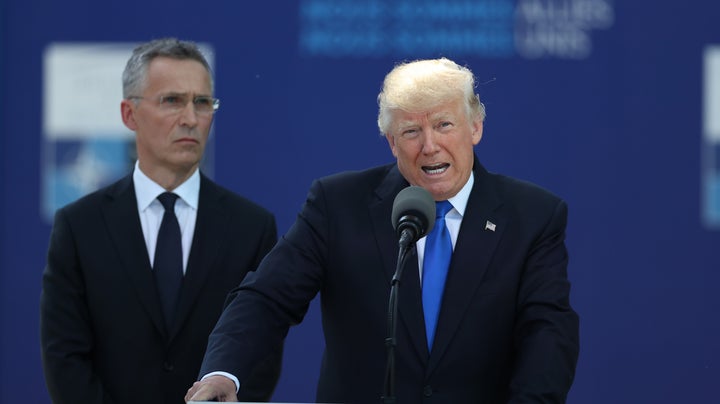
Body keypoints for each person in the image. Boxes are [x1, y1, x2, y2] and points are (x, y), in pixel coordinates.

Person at [186, 57, 579, 403]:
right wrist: (223, 371)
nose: (430, 146)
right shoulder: (337, 204)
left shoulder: (532, 216)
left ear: (475, 127)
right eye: (411, 131)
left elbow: (547, 335)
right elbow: (266, 298)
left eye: (444, 125)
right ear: (391, 142)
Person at [40, 38, 281, 404]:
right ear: (129, 114)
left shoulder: (252, 227)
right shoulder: (79, 226)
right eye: (172, 100)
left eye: (202, 102)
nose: (190, 118)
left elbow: (258, 350)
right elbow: (65, 356)